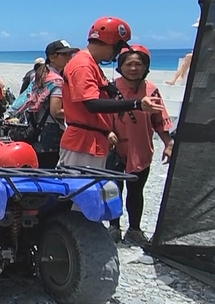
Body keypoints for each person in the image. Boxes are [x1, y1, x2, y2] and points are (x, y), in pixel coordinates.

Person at [59, 17, 163, 168]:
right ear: (113, 43)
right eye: (120, 48)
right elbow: (92, 104)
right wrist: (137, 104)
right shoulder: (83, 65)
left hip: (92, 141)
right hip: (83, 143)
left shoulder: (90, 64)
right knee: (82, 189)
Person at [109, 45, 173, 245]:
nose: (133, 68)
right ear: (121, 66)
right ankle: (113, 227)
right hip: (115, 149)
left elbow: (159, 119)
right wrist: (106, 131)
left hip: (141, 148)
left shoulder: (151, 89)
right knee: (114, 190)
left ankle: (134, 229)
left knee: (136, 192)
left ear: (146, 67)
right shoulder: (111, 88)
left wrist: (168, 143)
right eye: (129, 64)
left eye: (138, 64)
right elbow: (99, 115)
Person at [7, 40, 77, 168]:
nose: (69, 57)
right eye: (65, 54)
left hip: (35, 128)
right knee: (47, 171)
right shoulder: (56, 80)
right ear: (52, 57)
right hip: (50, 134)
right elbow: (55, 111)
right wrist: (78, 113)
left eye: (70, 54)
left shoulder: (40, 75)